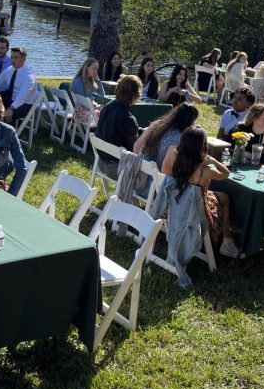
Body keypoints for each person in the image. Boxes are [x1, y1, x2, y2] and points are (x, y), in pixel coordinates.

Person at [161, 125, 239, 258]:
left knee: (221, 196)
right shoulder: (206, 171)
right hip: (197, 214)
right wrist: (214, 160)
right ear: (203, 146)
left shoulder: (175, 159)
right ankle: (227, 241)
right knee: (225, 198)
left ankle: (227, 240)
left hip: (176, 207)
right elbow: (226, 174)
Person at [95, 75, 143, 178]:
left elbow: (117, 130)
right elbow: (134, 148)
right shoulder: (128, 118)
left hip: (101, 160)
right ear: (135, 96)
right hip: (117, 168)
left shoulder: (107, 107)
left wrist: (142, 131)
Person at [134, 101, 199, 169]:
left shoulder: (156, 124)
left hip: (141, 169)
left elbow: (137, 145)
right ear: (189, 121)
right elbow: (168, 166)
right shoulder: (180, 138)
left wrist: (135, 165)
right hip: (157, 176)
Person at [0, 46, 36, 123]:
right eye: (12, 57)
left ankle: (3, 132)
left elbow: (22, 96)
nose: (12, 60)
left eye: (16, 58)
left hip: (24, 105)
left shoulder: (29, 76)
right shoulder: (9, 70)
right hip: (10, 100)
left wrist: (11, 108)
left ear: (24, 59)